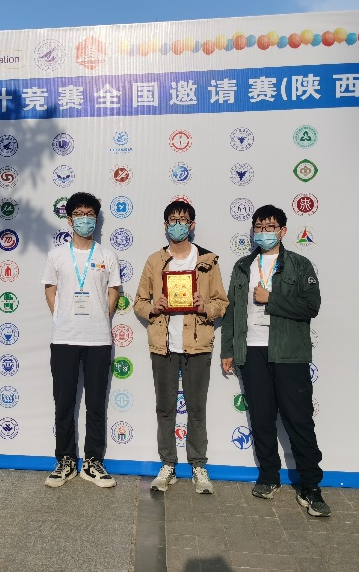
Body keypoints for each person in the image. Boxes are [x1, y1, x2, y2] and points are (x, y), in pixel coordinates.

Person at [220, 204, 329, 517]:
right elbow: (232, 310)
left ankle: (311, 486)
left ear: (283, 231)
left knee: (298, 419)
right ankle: (269, 476)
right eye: (259, 227)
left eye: (270, 227)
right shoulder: (243, 266)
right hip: (251, 350)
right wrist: (228, 349)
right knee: (262, 417)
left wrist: (272, 299)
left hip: (288, 352)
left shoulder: (299, 265)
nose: (263, 232)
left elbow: (311, 306)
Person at [133, 201, 229, 493]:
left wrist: (205, 307)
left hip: (197, 344)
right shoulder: (155, 261)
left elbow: (222, 302)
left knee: (197, 408)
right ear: (165, 226)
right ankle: (168, 464)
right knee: (165, 408)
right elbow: (139, 302)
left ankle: (198, 465)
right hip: (163, 345)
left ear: (192, 224)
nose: (178, 225)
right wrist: (153, 308)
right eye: (173, 220)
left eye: (183, 220)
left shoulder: (207, 261)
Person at [42, 192, 120, 488]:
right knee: (64, 402)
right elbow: (50, 288)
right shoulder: (56, 256)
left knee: (96, 403)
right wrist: (61, 316)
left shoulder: (106, 255)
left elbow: (113, 291)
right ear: (69, 219)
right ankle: (65, 460)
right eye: (79, 214)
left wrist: (100, 316)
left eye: (90, 214)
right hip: (64, 338)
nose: (84, 219)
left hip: (98, 338)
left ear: (96, 219)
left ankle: (93, 462)